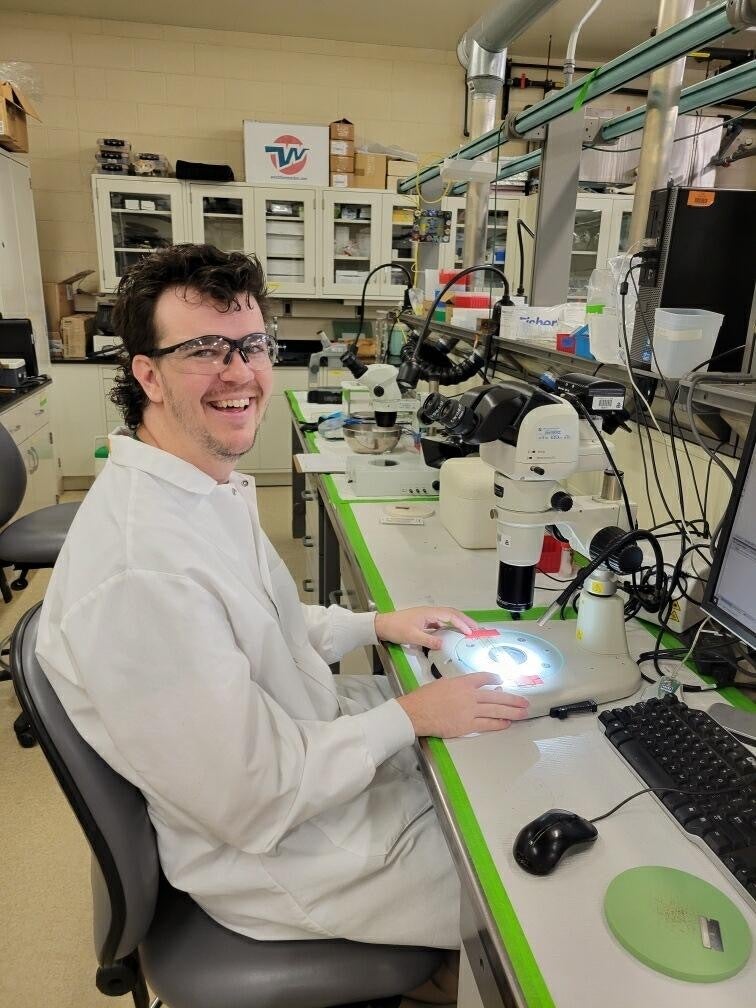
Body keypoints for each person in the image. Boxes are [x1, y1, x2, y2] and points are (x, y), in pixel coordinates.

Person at [36, 245, 528, 963]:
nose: (240, 372)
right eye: (204, 349)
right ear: (147, 373)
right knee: (532, 890)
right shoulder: (142, 571)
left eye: (253, 345)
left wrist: (374, 623)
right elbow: (252, 794)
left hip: (302, 759)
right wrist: (411, 715)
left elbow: (257, 619)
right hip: (283, 852)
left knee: (498, 756)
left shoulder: (192, 486)